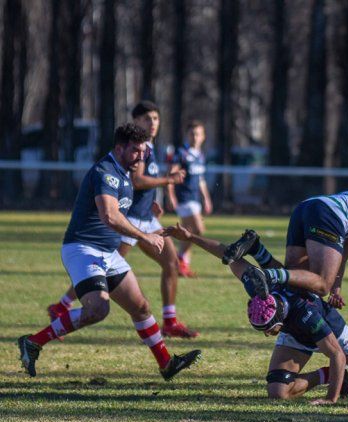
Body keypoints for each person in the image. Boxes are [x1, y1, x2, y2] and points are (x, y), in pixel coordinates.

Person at [163, 224, 348, 403]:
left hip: (326, 325)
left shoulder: (307, 315)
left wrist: (330, 400)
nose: (268, 334)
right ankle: (330, 377)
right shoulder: (261, 287)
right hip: (295, 329)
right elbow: (230, 256)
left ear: (278, 318)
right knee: (277, 393)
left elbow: (336, 354)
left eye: (269, 329)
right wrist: (190, 237)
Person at [17, 124, 200, 380]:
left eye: (144, 151)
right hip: (82, 249)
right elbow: (110, 216)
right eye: (135, 150)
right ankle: (34, 342)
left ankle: (167, 364)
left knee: (141, 307)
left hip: (107, 252)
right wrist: (145, 235)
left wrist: (149, 216)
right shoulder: (106, 172)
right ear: (119, 148)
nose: (141, 156)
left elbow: (121, 210)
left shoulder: (124, 173)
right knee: (97, 310)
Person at [46, 101, 198, 339]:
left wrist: (151, 202)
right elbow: (137, 180)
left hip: (146, 216)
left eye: (156, 119)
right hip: (131, 220)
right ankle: (62, 305)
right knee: (104, 269)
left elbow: (136, 184)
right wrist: (168, 181)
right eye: (147, 119)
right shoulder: (138, 147)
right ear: (136, 122)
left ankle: (169, 321)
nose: (153, 123)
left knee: (171, 263)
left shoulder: (150, 147)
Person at [167, 120, 213, 277]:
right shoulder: (181, 154)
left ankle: (182, 264)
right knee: (198, 230)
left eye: (198, 134)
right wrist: (171, 195)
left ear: (203, 137)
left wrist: (206, 198)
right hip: (184, 197)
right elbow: (171, 175)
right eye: (192, 134)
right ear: (187, 135)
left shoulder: (200, 155)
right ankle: (180, 260)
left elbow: (201, 180)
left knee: (189, 232)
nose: (195, 137)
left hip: (195, 199)